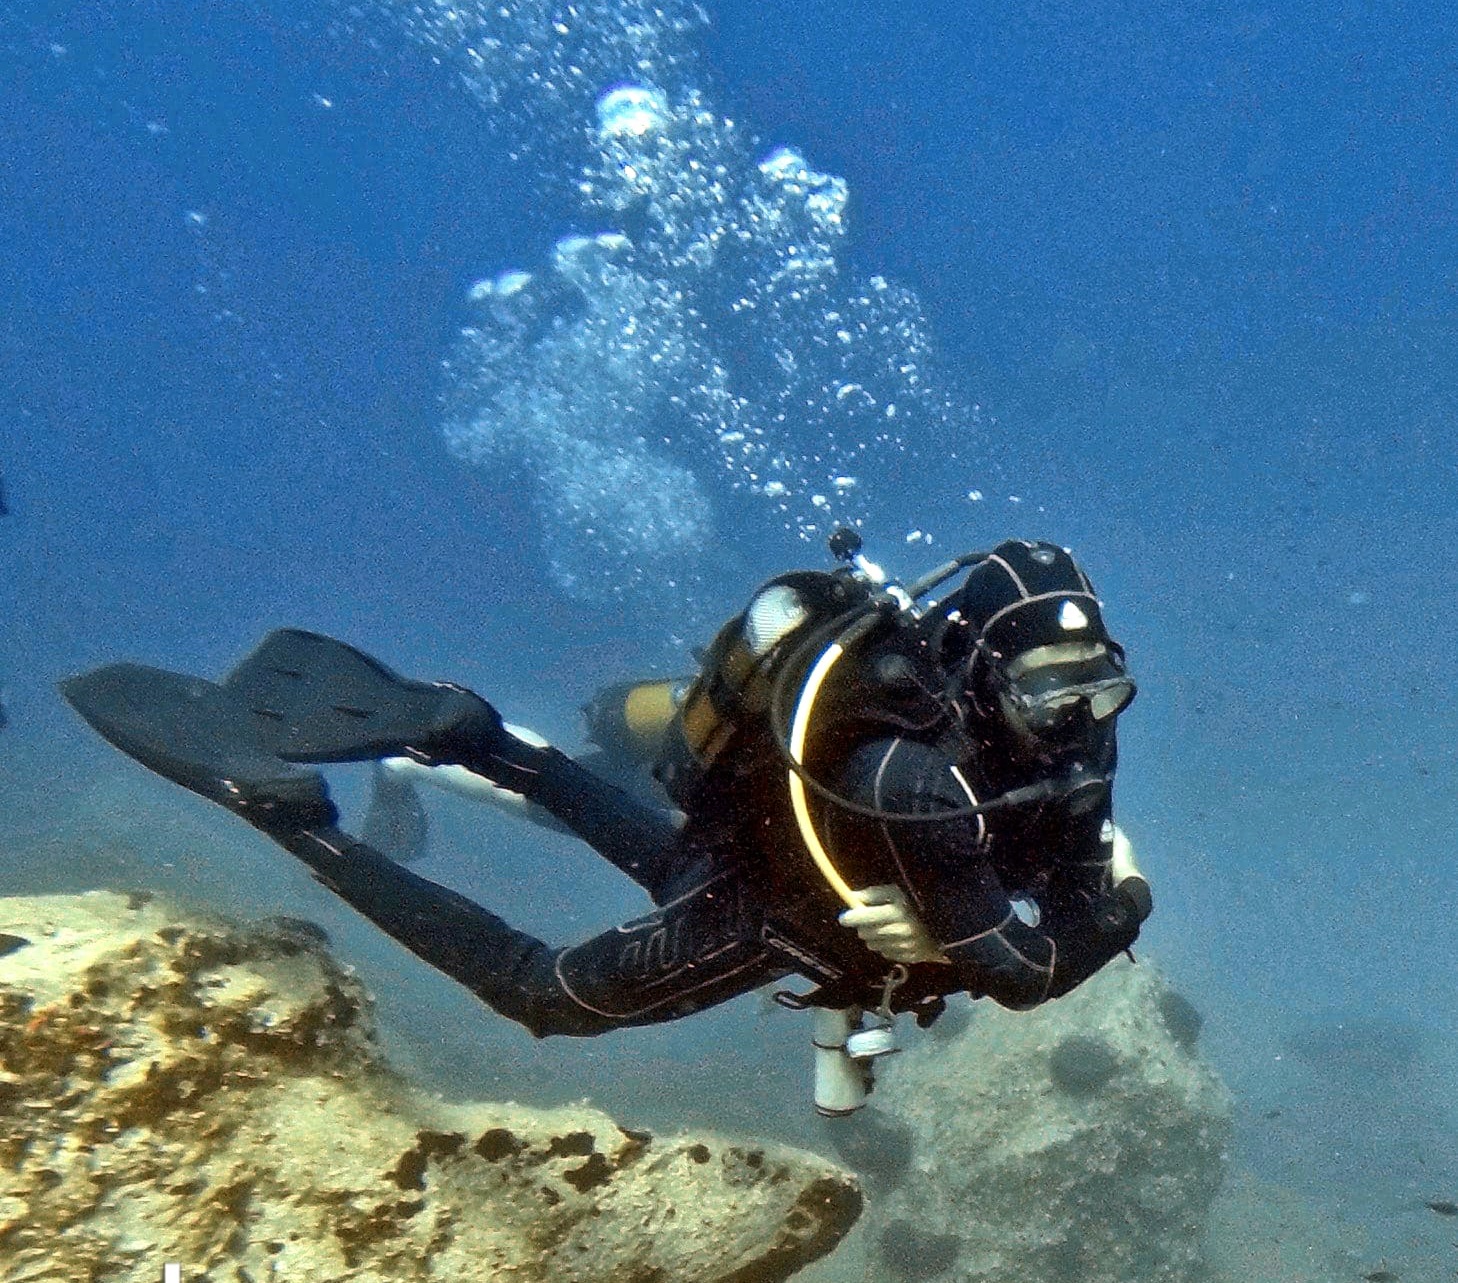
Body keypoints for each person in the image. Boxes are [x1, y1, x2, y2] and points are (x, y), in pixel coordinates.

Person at [61, 533, 1151, 1111]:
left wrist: (1001, 922)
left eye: (1095, 682)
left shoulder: (1064, 745)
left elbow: (1058, 884)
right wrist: (1127, 900)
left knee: (664, 860)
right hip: (775, 910)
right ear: (982, 664)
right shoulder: (914, 776)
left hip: (754, 853)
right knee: (540, 992)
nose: (1075, 713)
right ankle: (295, 819)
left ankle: (471, 731)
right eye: (1047, 686)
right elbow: (1023, 971)